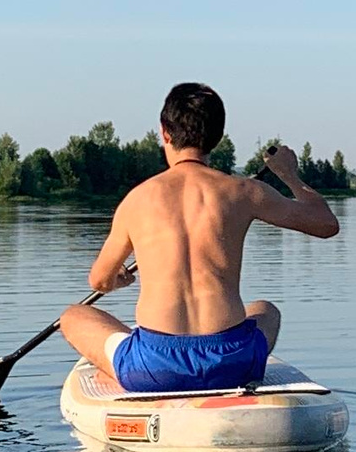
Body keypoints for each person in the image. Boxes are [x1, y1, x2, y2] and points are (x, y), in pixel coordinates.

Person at [60, 83, 338, 395]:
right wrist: (288, 174)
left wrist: (118, 279)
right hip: (232, 363)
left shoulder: (137, 200)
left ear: (165, 132)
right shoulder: (244, 192)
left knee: (73, 316)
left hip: (155, 368)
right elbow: (326, 224)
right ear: (217, 137)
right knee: (266, 310)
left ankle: (116, 371)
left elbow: (99, 280)